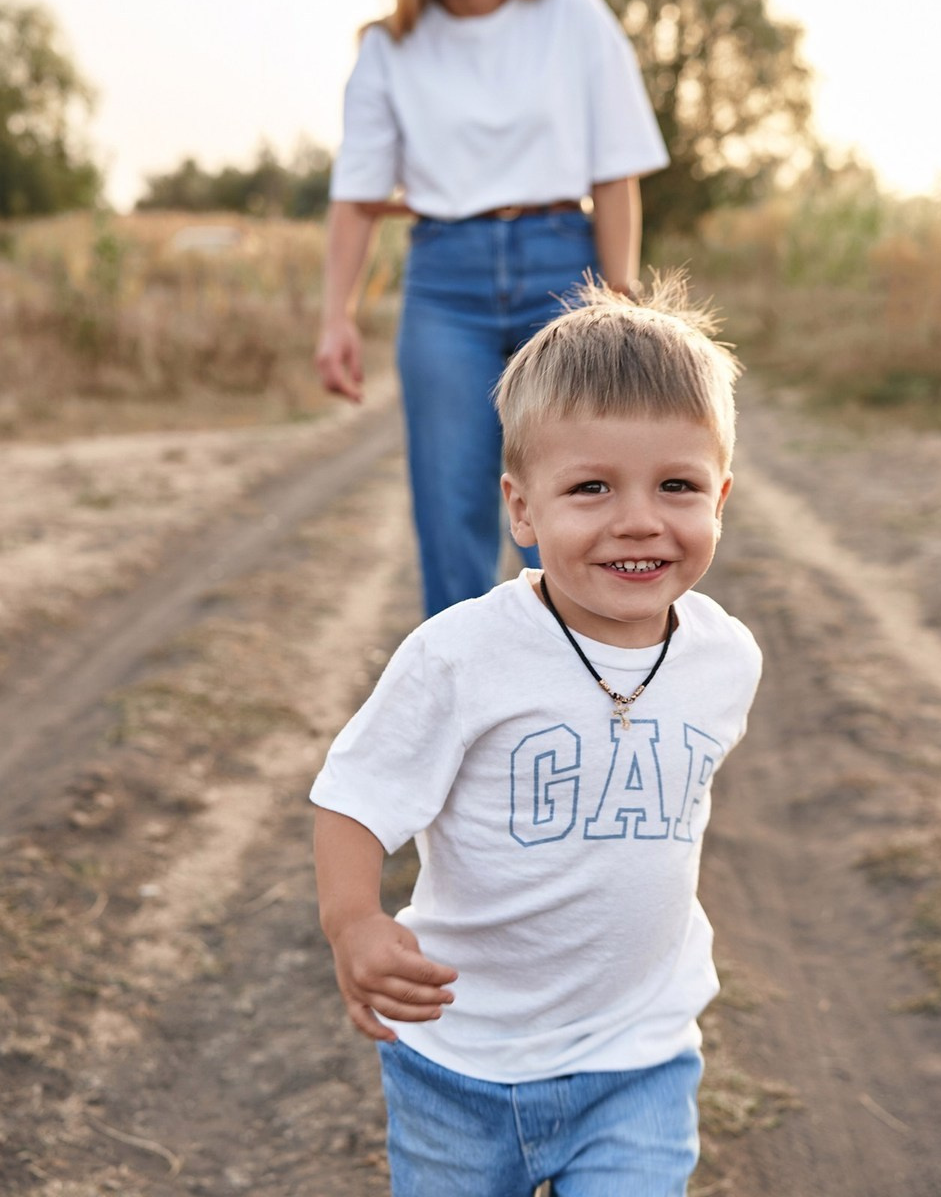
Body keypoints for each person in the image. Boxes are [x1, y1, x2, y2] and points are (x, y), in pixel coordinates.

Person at [311, 277, 763, 1196]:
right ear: (522, 509)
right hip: (459, 1065)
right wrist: (354, 921)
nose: (638, 518)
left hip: (639, 1058)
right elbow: (353, 799)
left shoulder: (726, 658)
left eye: (676, 486)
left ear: (720, 495)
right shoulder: (462, 655)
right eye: (591, 487)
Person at [314, 0, 669, 619]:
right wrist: (336, 317)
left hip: (566, 269)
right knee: (451, 512)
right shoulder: (389, 49)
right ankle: (470, 713)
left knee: (580, 498)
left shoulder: (574, 17)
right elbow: (356, 199)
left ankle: (587, 693)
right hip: (446, 282)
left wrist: (618, 299)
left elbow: (617, 173)